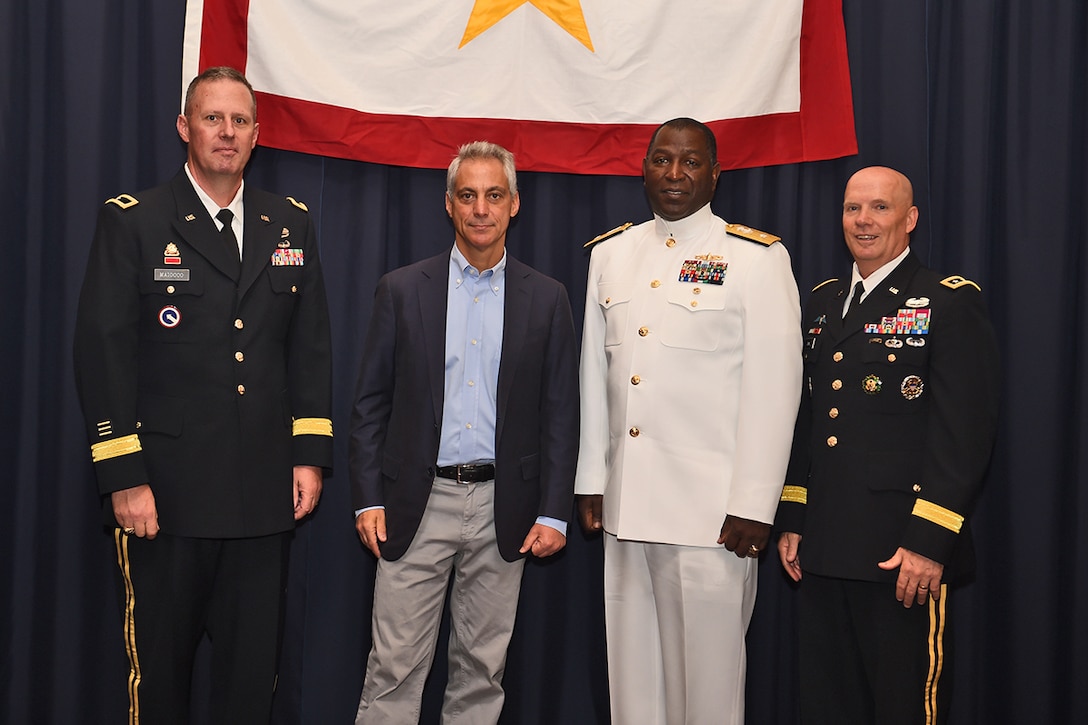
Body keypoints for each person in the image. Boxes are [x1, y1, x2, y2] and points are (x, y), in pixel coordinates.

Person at [72, 66, 333, 724]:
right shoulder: (135, 221)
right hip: (165, 499)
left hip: (261, 498)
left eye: (239, 120)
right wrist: (123, 475)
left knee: (252, 687)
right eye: (212, 118)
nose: (226, 131)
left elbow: (310, 347)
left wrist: (308, 455)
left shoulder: (289, 225)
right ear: (185, 128)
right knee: (160, 682)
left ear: (256, 134)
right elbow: (101, 350)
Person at [575, 118, 803, 724]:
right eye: (662, 160)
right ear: (644, 167)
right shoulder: (610, 255)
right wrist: (591, 480)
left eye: (691, 162)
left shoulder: (755, 258)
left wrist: (756, 502)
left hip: (712, 517)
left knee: (706, 693)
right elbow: (595, 379)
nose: (674, 175)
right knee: (633, 687)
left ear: (715, 173)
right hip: (626, 508)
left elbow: (776, 387)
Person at [350, 141, 579, 723]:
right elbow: (370, 404)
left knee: (482, 672)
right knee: (394, 667)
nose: (481, 208)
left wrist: (554, 511)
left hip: (507, 507)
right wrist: (368, 498)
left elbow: (559, 414)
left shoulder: (548, 299)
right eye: (468, 195)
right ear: (449, 205)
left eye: (494, 195)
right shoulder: (402, 290)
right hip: (414, 505)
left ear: (515, 205)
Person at [775, 166, 1000, 724]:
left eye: (879, 208)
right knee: (829, 706)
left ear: (910, 218)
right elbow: (808, 421)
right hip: (824, 549)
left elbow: (964, 434)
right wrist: (795, 516)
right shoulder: (824, 303)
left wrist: (929, 541)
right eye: (854, 208)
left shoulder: (946, 303)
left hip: (902, 553)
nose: (864, 221)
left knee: (904, 708)